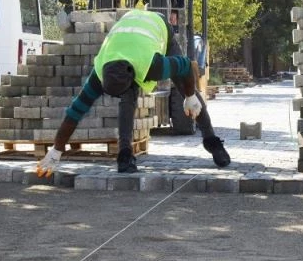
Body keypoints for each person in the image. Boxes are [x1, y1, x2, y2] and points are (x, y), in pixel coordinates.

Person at [36, 9, 230, 177]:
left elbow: (186, 66)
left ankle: (212, 142)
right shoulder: (99, 72)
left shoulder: (152, 65)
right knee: (128, 98)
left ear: (133, 74)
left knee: (183, 86)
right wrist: (56, 151)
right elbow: (74, 113)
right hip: (129, 29)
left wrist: (189, 96)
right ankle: (125, 155)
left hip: (157, 25)